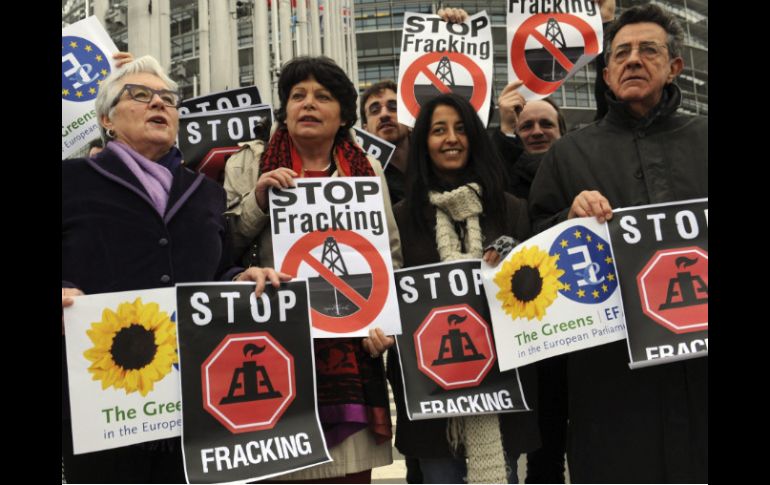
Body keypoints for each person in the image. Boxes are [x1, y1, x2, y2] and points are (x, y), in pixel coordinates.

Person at [62, 55, 289, 483]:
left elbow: (217, 267)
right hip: (104, 407)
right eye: (141, 95)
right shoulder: (72, 181)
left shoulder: (204, 191)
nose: (159, 104)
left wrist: (241, 278)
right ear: (107, 119)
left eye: (168, 98)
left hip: (196, 402)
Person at [528, 4, 707, 482]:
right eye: (621, 53)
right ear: (606, 75)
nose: (633, 60)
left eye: (648, 50)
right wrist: (569, 218)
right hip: (611, 382)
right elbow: (530, 256)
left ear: (673, 67)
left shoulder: (705, 138)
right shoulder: (569, 155)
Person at [223, 56, 401, 483]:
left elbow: (389, 254)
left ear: (343, 116)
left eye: (322, 96)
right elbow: (222, 247)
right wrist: (259, 202)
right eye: (297, 95)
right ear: (284, 109)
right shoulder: (248, 163)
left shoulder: (367, 168)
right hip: (275, 350)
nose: (308, 104)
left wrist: (382, 321)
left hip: (352, 355)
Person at [391, 93, 538, 483]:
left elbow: (535, 296)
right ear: (424, 142)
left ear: (474, 137)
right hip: (431, 393)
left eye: (460, 129)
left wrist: (511, 267)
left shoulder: (511, 210)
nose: (450, 138)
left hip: (500, 388)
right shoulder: (401, 218)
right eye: (438, 130)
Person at [359, 80, 410, 206]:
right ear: (365, 129)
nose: (384, 114)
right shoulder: (360, 178)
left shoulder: (435, 159)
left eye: (393, 107)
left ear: (408, 117)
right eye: (375, 110)